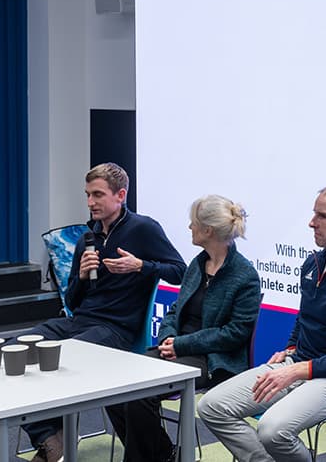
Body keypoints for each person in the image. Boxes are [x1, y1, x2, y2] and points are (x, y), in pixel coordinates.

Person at [197, 184, 326, 462]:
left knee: (271, 430)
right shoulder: (313, 264)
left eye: (321, 216)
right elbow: (305, 317)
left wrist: (299, 370)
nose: (311, 222)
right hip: (300, 365)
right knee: (212, 406)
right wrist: (291, 348)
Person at [22, 163, 186, 462]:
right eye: (87, 195)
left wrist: (142, 266)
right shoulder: (89, 236)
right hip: (79, 321)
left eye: (97, 195)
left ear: (120, 195)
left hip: (118, 329)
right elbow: (72, 299)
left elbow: (180, 272)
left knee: (64, 358)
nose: (90, 202)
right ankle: (49, 438)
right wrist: (82, 276)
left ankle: (57, 440)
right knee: (17, 349)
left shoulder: (143, 228)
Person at [106, 194, 261, 462]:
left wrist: (181, 345)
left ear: (208, 230)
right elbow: (176, 310)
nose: (189, 227)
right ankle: (165, 454)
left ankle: (154, 457)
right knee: (116, 386)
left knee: (141, 393)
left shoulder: (244, 275)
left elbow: (235, 334)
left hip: (214, 361)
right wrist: (168, 337)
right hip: (178, 349)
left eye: (193, 223)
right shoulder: (198, 264)